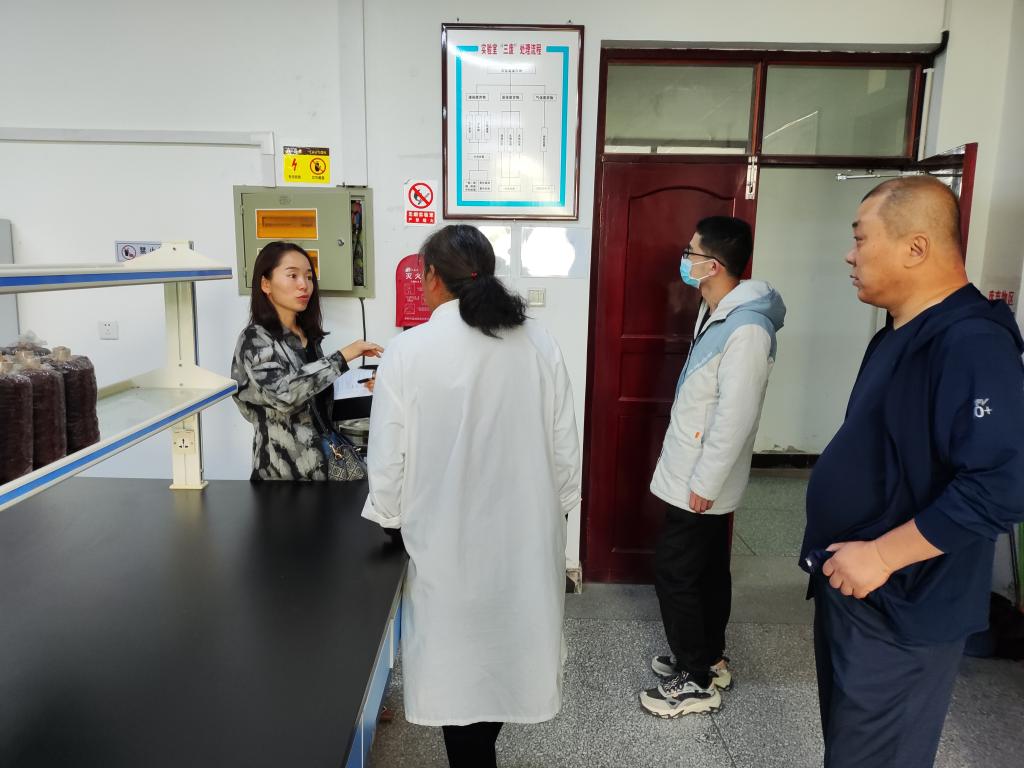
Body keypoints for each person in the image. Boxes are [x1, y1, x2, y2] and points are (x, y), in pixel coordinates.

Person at [802, 176, 1024, 768]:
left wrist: (881, 556)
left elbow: (1002, 484)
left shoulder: (972, 342)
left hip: (904, 604)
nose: (850, 255)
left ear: (915, 247)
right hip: (858, 590)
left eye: (860, 238)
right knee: (851, 750)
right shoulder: (900, 333)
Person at [361, 225, 580, 768]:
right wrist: (555, 513)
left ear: (433, 277)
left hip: (445, 538)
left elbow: (388, 458)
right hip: (525, 536)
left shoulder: (408, 351)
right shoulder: (539, 342)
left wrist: (390, 518)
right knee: (508, 655)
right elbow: (565, 450)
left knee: (457, 666)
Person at [640, 216, 786, 718]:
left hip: (701, 478)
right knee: (704, 569)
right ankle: (708, 657)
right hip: (692, 467)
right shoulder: (717, 311)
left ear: (714, 264)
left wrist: (706, 482)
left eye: (691, 251)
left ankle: (695, 680)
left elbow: (735, 416)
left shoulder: (747, 329)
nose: (685, 259)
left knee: (676, 572)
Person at [231, 241, 382, 480]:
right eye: (292, 275)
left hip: (326, 467)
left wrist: (367, 386)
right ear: (265, 284)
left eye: (309, 277)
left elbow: (316, 399)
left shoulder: (307, 337)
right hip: (283, 475)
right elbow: (284, 395)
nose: (304, 285)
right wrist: (344, 356)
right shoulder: (254, 339)